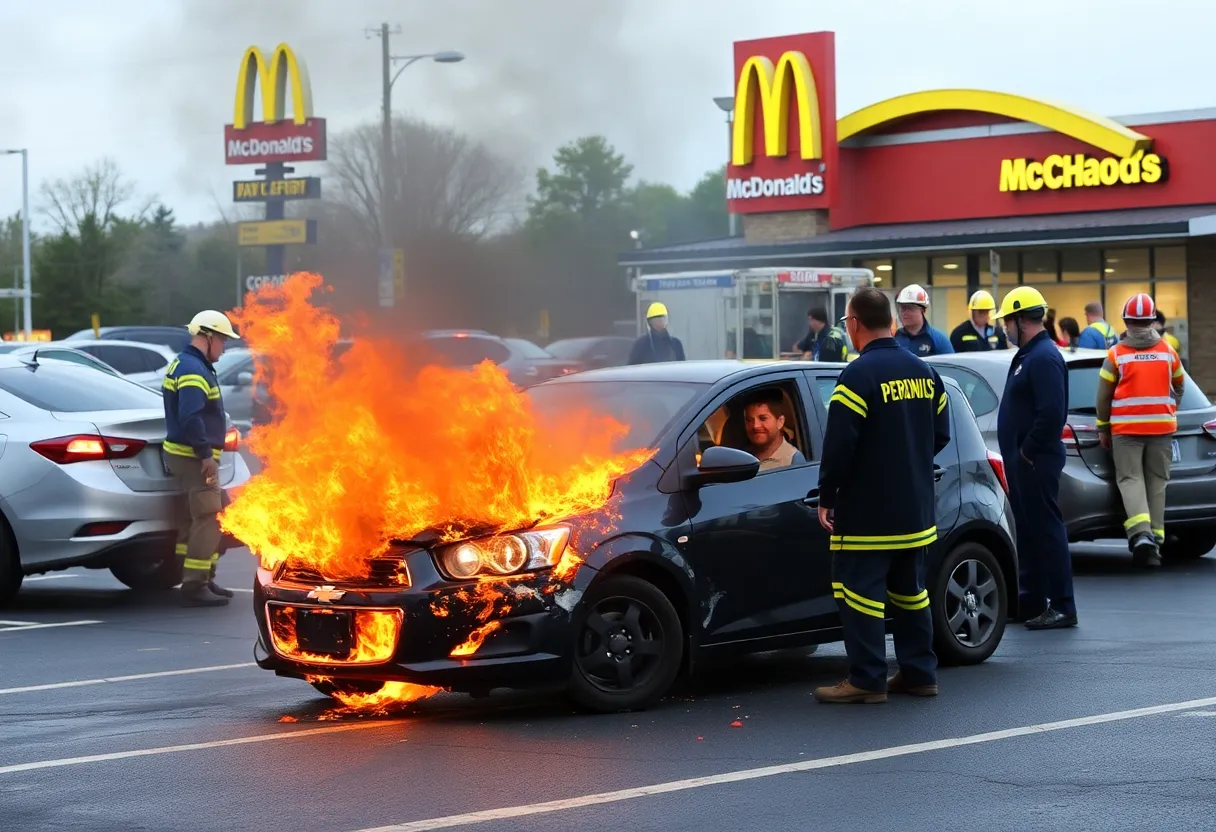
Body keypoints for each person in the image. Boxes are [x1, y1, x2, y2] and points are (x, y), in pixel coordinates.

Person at [813, 287, 950, 704]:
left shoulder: (857, 375)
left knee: (858, 593)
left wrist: (827, 495)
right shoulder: (923, 371)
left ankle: (868, 679)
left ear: (854, 323)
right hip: (915, 510)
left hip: (869, 513)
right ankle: (919, 674)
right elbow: (941, 432)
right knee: (911, 594)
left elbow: (839, 447)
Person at [995, 287, 1077, 629]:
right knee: (1028, 531)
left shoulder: (1043, 357)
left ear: (1019, 320)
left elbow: (1051, 413)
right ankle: (1030, 601)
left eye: (1006, 322)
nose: (1004, 329)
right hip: (1023, 461)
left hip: (1035, 461)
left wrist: (1027, 450)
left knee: (1046, 530)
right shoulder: (1030, 355)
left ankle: (1062, 604)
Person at [1096, 294, 1186, 568]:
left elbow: (1103, 396)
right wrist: (1168, 408)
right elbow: (1180, 385)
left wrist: (1103, 426)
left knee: (1131, 480)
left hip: (1127, 431)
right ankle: (1156, 541)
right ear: (1151, 321)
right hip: (1161, 429)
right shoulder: (1167, 352)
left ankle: (1141, 534)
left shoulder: (1116, 355)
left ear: (1126, 322)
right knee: (1157, 482)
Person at [163, 310, 242, 607]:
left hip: (187, 456)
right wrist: (206, 455)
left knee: (194, 517)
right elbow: (190, 416)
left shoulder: (188, 364)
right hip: (195, 459)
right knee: (210, 516)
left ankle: (198, 577)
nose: (224, 346)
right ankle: (196, 584)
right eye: (222, 339)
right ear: (207, 337)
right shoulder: (193, 370)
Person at [742, 389, 805, 471]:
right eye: (749, 420)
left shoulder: (792, 461)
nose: (755, 426)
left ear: (780, 422)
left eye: (763, 418)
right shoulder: (742, 456)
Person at [893, 284, 953, 356]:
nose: (905, 312)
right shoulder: (894, 338)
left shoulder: (938, 339)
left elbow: (950, 365)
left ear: (923, 310)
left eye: (910, 308)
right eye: (902, 308)